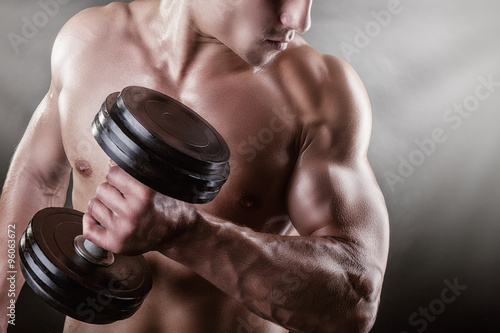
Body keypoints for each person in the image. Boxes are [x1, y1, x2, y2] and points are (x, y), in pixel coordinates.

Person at [0, 0, 390, 332]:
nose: (299, 19)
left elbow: (357, 299)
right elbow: (38, 179)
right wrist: (5, 307)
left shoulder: (319, 93)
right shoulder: (86, 42)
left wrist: (188, 233)